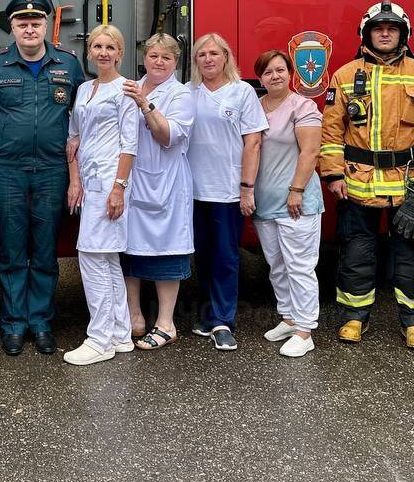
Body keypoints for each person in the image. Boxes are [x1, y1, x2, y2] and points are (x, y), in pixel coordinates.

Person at [319, 0, 414, 350]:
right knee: (356, 251)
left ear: (403, 34)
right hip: (357, 181)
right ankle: (354, 317)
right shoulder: (344, 76)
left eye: (392, 28)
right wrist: (333, 175)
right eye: (378, 28)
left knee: (412, 253)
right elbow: (331, 132)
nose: (385, 33)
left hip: (408, 183)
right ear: (367, 34)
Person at [0, 0, 85, 356]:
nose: (29, 28)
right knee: (10, 251)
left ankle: (39, 321)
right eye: (22, 22)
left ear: (46, 26)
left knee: (43, 251)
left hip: (52, 170)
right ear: (12, 27)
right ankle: (12, 324)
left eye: (35, 22)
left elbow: (80, 119)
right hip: (9, 171)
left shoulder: (69, 65)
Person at [63, 26, 139, 365]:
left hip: (111, 182)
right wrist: (74, 179)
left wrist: (118, 188)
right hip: (89, 182)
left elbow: (130, 144)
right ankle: (121, 334)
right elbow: (75, 138)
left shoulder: (126, 90)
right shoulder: (83, 89)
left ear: (120, 53)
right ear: (89, 52)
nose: (103, 52)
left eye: (110, 47)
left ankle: (100, 339)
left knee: (92, 257)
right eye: (97, 46)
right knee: (106, 259)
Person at [186, 32, 267, 351]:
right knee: (202, 256)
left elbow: (253, 142)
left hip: (227, 191)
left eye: (214, 53)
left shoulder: (242, 92)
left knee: (226, 257)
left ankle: (222, 321)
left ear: (226, 57)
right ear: (195, 61)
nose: (208, 59)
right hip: (192, 190)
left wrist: (246, 188)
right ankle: (207, 316)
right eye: (201, 55)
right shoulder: (187, 93)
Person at [122, 34, 194, 352]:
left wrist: (143, 103)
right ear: (144, 58)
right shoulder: (131, 86)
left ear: (176, 62)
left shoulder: (181, 95)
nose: (159, 62)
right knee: (129, 252)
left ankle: (166, 323)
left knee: (167, 253)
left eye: (166, 57)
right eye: (153, 55)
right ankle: (134, 317)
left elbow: (167, 136)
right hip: (132, 182)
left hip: (167, 184)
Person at [252, 49, 324, 358]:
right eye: (268, 72)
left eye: (280, 70)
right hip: (265, 201)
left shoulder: (302, 106)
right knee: (277, 265)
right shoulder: (255, 107)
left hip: (297, 201)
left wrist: (296, 190)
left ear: (290, 73)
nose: (275, 76)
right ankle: (289, 317)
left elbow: (310, 152)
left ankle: (305, 330)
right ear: (261, 78)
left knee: (300, 266)